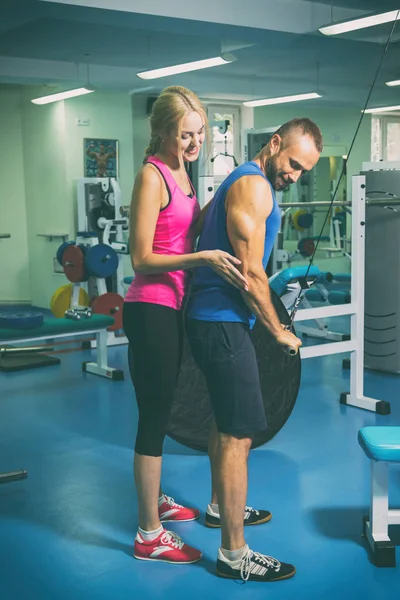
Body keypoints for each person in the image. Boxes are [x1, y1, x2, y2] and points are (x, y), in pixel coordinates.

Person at [186, 118, 323, 582]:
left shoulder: (238, 177)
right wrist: (278, 332)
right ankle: (234, 554)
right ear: (275, 143)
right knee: (239, 435)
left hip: (213, 318)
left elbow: (200, 224)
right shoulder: (255, 188)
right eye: (293, 164)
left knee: (225, 425)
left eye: (304, 171)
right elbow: (252, 275)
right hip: (222, 322)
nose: (295, 176)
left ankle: (217, 508)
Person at [122, 85, 248, 565]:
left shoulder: (184, 171)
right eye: (186, 134)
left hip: (173, 306)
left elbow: (185, 230)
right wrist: (203, 257)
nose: (195, 143)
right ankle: (148, 534)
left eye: (199, 134)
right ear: (162, 131)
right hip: (150, 306)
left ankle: (154, 502)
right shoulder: (151, 176)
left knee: (164, 407)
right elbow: (141, 258)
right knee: (154, 417)